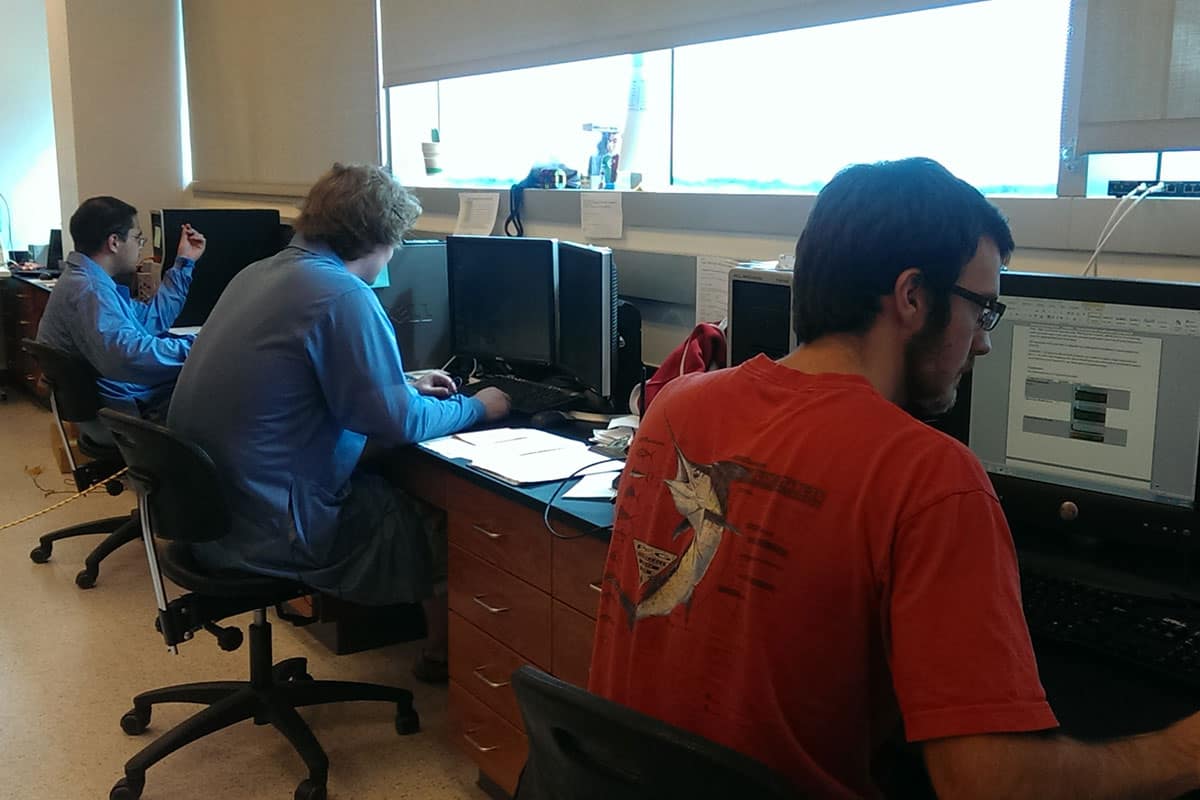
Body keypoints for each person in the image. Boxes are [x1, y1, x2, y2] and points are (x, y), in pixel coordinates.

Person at [588, 157, 1200, 799]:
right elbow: (990, 788)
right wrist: (1183, 752)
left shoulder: (677, 406)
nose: (983, 342)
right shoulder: (930, 478)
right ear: (911, 296)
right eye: (982, 308)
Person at [168, 163, 510, 681]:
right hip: (273, 527)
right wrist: (482, 407)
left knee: (385, 473)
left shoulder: (257, 274)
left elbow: (308, 387)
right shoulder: (343, 295)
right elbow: (396, 423)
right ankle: (445, 659)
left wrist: (403, 386)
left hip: (214, 517)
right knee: (437, 512)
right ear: (373, 237)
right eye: (394, 242)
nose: (393, 255)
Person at [36, 196, 207, 419]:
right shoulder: (89, 290)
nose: (140, 246)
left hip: (116, 407)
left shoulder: (85, 281)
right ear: (114, 242)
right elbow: (131, 358)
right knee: (225, 389)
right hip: (128, 416)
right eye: (138, 238)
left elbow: (150, 320)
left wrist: (185, 262)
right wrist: (202, 346)